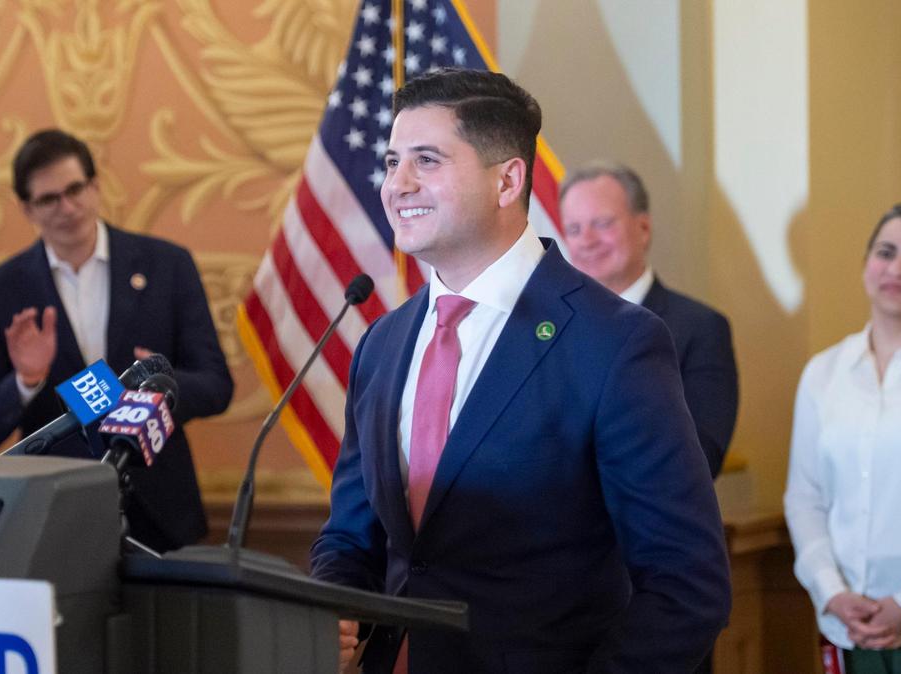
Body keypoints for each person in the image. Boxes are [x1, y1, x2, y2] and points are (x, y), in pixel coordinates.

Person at [310, 68, 730, 673]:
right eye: (392, 160)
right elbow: (351, 537)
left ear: (508, 180)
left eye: (426, 160)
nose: (396, 184)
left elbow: (688, 586)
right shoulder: (383, 341)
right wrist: (331, 607)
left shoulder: (614, 343)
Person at [0, 129, 234, 553]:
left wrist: (159, 387)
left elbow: (218, 386)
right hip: (54, 515)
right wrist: (25, 380)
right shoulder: (0, 291)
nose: (67, 208)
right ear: (27, 209)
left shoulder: (167, 265)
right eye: (49, 199)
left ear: (95, 186)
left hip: (162, 506)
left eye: (75, 189)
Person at [785, 203, 901, 673]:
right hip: (845, 621)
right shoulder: (824, 373)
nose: (898, 269)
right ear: (867, 263)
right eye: (885, 252)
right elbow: (805, 497)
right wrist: (832, 591)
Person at [560, 162, 738, 478]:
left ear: (643, 228)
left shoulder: (700, 328)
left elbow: (700, 457)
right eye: (574, 229)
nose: (586, 241)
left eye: (601, 224)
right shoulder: (551, 327)